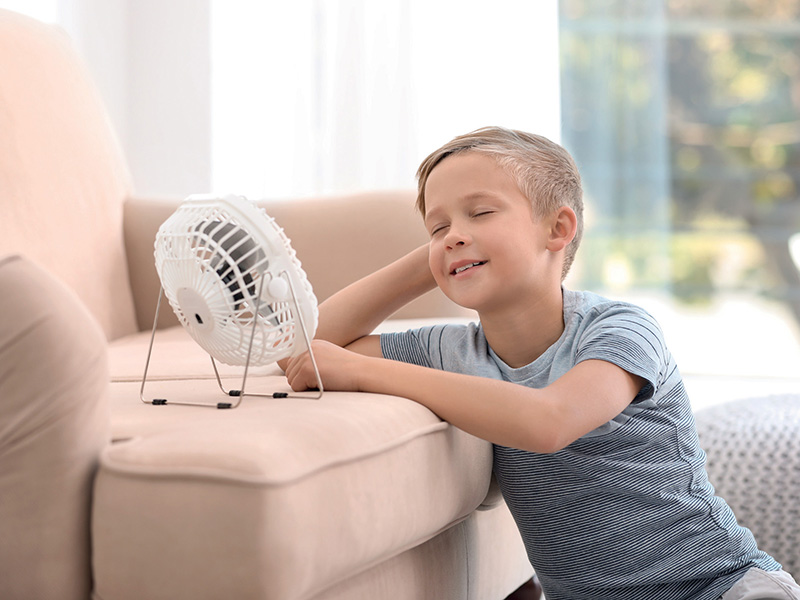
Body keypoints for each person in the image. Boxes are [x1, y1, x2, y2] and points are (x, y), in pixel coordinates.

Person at [284, 126, 800, 600]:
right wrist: (433, 260)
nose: (453, 234)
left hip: (720, 588)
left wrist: (361, 369)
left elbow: (548, 422)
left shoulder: (619, 329)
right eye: (437, 226)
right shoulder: (451, 351)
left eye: (480, 213)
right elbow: (302, 346)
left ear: (558, 228)